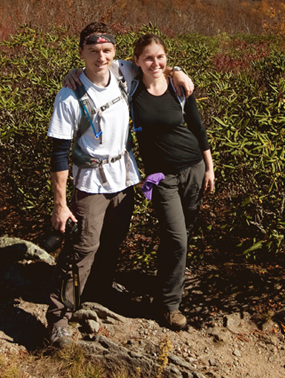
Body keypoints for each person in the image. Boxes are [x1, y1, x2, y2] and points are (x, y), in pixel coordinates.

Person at [45, 23, 193, 348]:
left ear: (115, 52)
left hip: (124, 178)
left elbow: (154, 62)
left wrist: (178, 70)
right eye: (93, 51)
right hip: (90, 181)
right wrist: (60, 204)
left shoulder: (124, 72)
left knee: (112, 243)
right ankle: (58, 317)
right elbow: (58, 153)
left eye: (106, 50)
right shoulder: (69, 95)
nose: (101, 56)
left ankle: (95, 297)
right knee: (83, 247)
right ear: (81, 52)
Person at [130, 33, 214, 331]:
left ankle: (163, 291)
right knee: (177, 237)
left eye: (160, 57)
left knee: (180, 237)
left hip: (193, 168)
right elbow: (97, 69)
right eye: (148, 57)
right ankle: (169, 306)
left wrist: (209, 167)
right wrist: (72, 74)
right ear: (136, 61)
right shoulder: (130, 89)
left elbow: (197, 126)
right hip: (161, 177)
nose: (155, 62)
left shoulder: (179, 88)